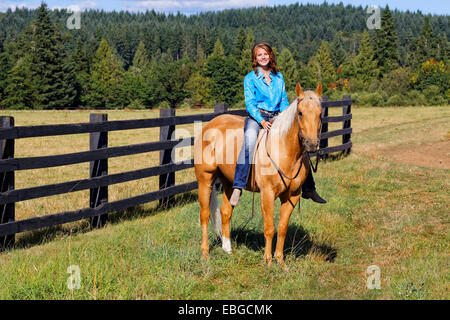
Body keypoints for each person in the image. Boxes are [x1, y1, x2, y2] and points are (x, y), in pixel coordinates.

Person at [229, 42, 326, 207]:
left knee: (300, 143)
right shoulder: (250, 78)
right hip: (257, 117)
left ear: (270, 56)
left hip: (277, 116)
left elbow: (283, 100)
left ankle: (309, 188)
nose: (263, 57)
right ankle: (238, 186)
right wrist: (262, 121)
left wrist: (284, 117)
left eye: (265, 54)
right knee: (250, 141)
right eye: (259, 55)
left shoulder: (278, 77)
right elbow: (250, 103)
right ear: (255, 58)